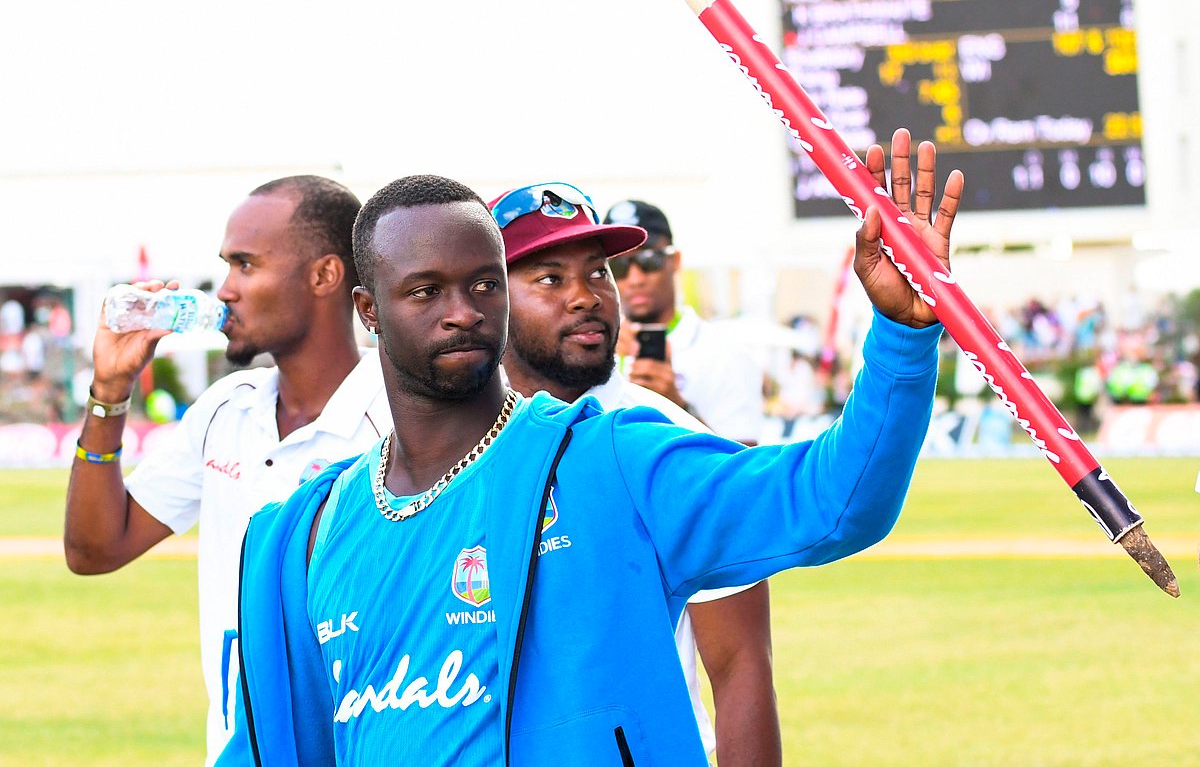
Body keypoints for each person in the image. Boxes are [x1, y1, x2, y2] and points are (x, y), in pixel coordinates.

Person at [222, 130, 961, 765]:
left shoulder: (613, 460)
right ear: (368, 311)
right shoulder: (300, 536)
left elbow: (838, 501)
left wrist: (901, 334)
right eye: (425, 291)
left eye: (484, 285)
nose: (463, 313)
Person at [63, 175, 390, 765]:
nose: (226, 290)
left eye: (245, 265)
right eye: (227, 267)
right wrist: (110, 390)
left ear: (325, 275)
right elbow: (94, 549)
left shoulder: (400, 417)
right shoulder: (226, 408)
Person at [491, 181, 780, 765]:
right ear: (491, 299)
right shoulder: (450, 443)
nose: (586, 296)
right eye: (550, 278)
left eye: (598, 272)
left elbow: (741, 663)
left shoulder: (672, 439)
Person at [602, 198, 764, 445]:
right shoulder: (595, 350)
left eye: (648, 260)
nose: (635, 279)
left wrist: (677, 407)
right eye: (619, 265)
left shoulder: (726, 353)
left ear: (675, 261)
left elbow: (745, 463)